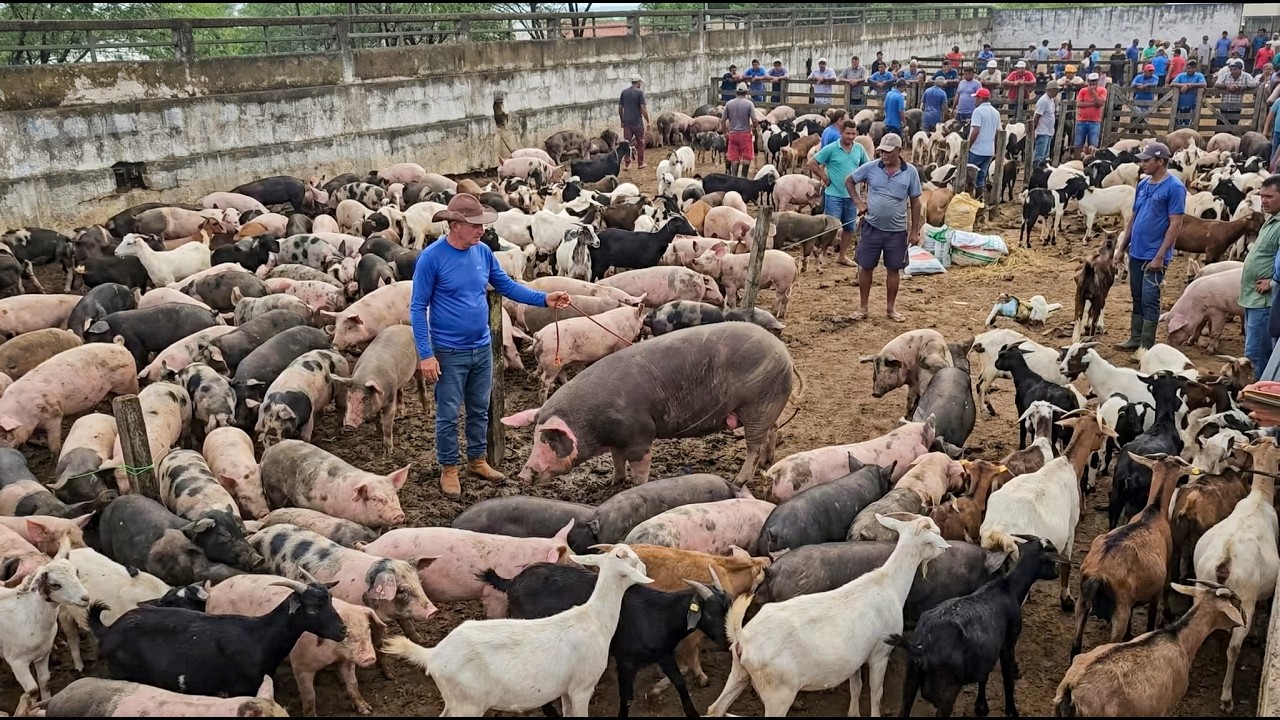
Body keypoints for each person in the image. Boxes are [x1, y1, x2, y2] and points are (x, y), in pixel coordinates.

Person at [410, 194, 571, 498]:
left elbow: (506, 286)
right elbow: (418, 308)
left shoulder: (483, 252)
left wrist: (543, 298)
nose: (481, 230)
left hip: (481, 346)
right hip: (449, 350)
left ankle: (477, 460)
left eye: (482, 224)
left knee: (479, 408)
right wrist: (426, 354)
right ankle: (449, 468)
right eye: (474, 225)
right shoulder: (431, 258)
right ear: (455, 224)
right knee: (447, 413)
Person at [1114, 142, 1185, 359]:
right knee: (1137, 295)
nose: (1142, 163)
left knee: (1150, 297)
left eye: (1147, 160)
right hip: (1136, 251)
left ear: (1161, 161)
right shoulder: (1143, 185)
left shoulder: (1174, 188)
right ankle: (1136, 338)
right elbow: (1133, 218)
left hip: (1155, 253)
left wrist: (1161, 255)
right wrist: (1122, 247)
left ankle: (1146, 345)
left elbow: (1175, 224)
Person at [845, 133, 922, 324]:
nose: (884, 155)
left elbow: (915, 202)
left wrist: (914, 230)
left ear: (899, 151)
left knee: (893, 269)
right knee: (865, 267)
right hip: (872, 227)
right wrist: (858, 202)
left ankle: (891, 308)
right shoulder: (871, 167)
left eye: (888, 152)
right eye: (882, 151)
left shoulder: (910, 172)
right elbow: (849, 181)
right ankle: (863, 307)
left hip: (897, 230)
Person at [808, 121, 869, 268]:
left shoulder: (859, 149)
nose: (850, 136)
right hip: (834, 193)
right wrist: (824, 178)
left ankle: (842, 256)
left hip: (851, 196)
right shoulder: (831, 148)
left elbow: (867, 166)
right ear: (841, 133)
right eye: (848, 133)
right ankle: (822, 254)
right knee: (831, 227)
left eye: (853, 133)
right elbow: (812, 163)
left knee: (849, 228)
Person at [1239, 175, 1280, 378]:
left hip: (1265, 301)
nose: (1263, 201)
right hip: (1252, 296)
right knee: (1254, 351)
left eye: (1269, 196)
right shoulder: (1272, 219)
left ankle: (1259, 398)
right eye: (1262, 196)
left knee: (1256, 355)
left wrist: (1273, 282)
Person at [967, 87, 1001, 199]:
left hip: (977, 149)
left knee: (970, 176)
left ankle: (967, 200)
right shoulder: (996, 112)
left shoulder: (978, 112)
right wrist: (995, 148)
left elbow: (975, 130)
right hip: (989, 150)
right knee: (981, 177)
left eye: (976, 98)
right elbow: (998, 132)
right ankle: (979, 200)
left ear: (981, 98)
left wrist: (968, 146)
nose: (975, 100)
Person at [723, 83, 756, 177]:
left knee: (734, 157)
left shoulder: (729, 103)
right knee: (747, 156)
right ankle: (744, 177)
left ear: (736, 92)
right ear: (746, 92)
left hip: (733, 134)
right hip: (745, 133)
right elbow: (754, 120)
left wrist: (725, 133)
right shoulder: (749, 104)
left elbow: (722, 120)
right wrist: (753, 129)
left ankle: (734, 176)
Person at [618, 75, 649, 171]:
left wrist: (622, 120)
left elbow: (620, 108)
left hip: (627, 122)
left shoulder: (624, 92)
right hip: (637, 122)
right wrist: (648, 121)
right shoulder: (640, 93)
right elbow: (643, 108)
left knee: (626, 143)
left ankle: (627, 164)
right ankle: (640, 163)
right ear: (638, 82)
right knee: (640, 142)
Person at [1074, 73, 1107, 157]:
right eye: (1091, 81)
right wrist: (1093, 104)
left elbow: (1100, 103)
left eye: (1094, 81)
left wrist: (1093, 93)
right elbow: (1078, 104)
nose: (1093, 84)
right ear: (1088, 81)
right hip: (1082, 120)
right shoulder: (1083, 91)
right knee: (1078, 144)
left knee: (1092, 145)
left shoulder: (1102, 90)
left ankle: (1089, 161)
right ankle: (1077, 160)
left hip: (1094, 121)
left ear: (1097, 81)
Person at [1218, 58, 1258, 126]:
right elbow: (1216, 84)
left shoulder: (1246, 76)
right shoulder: (1226, 75)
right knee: (1220, 126)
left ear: (1240, 69)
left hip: (1236, 107)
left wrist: (1242, 87)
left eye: (1235, 69)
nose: (1233, 71)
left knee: (1233, 127)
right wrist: (1227, 86)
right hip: (1224, 106)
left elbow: (1254, 84)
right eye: (1231, 69)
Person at [1170, 60, 1207, 128]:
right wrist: (1183, 86)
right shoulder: (1181, 75)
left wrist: (1190, 85)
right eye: (1188, 68)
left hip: (1193, 103)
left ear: (1195, 68)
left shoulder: (1199, 75)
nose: (1190, 70)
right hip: (1180, 104)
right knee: (1178, 122)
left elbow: (1204, 84)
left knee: (1190, 123)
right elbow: (1172, 83)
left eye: (1192, 68)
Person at [1031, 81, 1060, 164]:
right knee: (1039, 155)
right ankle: (1036, 169)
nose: (1056, 93)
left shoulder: (1050, 100)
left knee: (1045, 155)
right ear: (1049, 90)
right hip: (1042, 130)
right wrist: (1033, 130)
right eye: (1055, 90)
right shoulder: (1043, 101)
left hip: (1048, 131)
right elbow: (1037, 116)